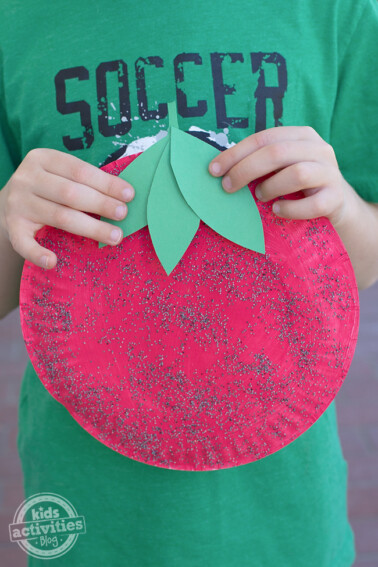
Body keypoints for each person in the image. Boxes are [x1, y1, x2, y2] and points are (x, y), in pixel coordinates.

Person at [0, 0, 377, 565]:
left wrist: (341, 206)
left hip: (285, 514)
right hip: (93, 514)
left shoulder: (334, 12)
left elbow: (361, 269)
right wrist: (12, 219)